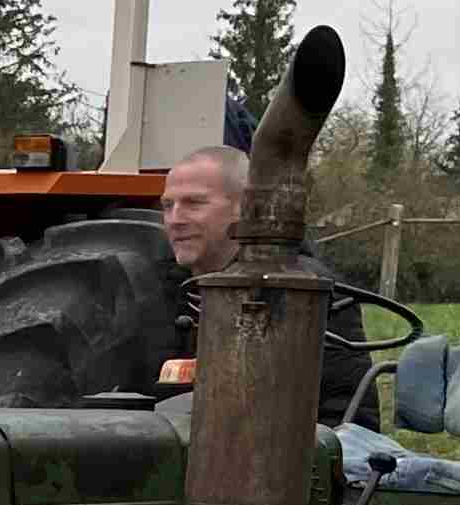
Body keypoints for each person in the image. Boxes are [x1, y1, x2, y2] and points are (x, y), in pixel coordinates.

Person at [157, 144, 373, 424]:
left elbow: (345, 417)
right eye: (167, 206)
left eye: (194, 203)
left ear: (246, 208)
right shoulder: (166, 287)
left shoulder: (301, 291)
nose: (175, 219)